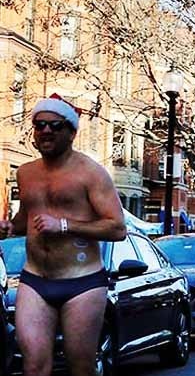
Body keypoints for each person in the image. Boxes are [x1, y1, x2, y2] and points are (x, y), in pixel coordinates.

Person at [0, 94, 127, 376]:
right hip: (35, 280)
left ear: (71, 132)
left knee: (80, 367)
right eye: (40, 125)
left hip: (82, 282)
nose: (46, 131)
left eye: (55, 126)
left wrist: (65, 225)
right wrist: (9, 227)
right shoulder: (25, 173)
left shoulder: (92, 173)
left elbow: (118, 228)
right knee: (34, 366)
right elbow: (27, 220)